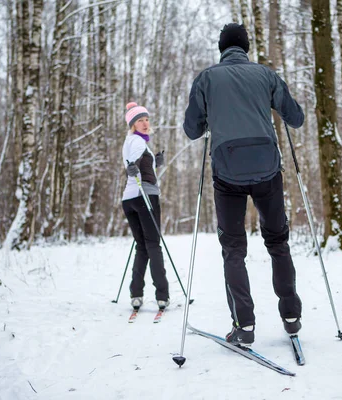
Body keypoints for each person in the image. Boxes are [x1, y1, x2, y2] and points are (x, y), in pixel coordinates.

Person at [183, 23, 304, 346]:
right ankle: (291, 315)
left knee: (234, 250)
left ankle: (244, 325)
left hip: (227, 172)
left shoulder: (207, 78)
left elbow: (192, 130)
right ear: (246, 48)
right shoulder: (266, 75)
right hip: (267, 168)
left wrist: (210, 115)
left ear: (222, 49)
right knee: (278, 242)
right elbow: (296, 117)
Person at [122, 102, 169, 311]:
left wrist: (155, 163)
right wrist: (135, 166)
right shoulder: (139, 143)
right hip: (145, 197)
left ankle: (136, 294)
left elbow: (138, 164)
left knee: (142, 246)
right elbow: (135, 162)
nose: (144, 123)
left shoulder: (130, 141)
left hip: (129, 199)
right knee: (153, 245)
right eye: (139, 120)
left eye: (146, 119)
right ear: (132, 124)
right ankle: (162, 295)